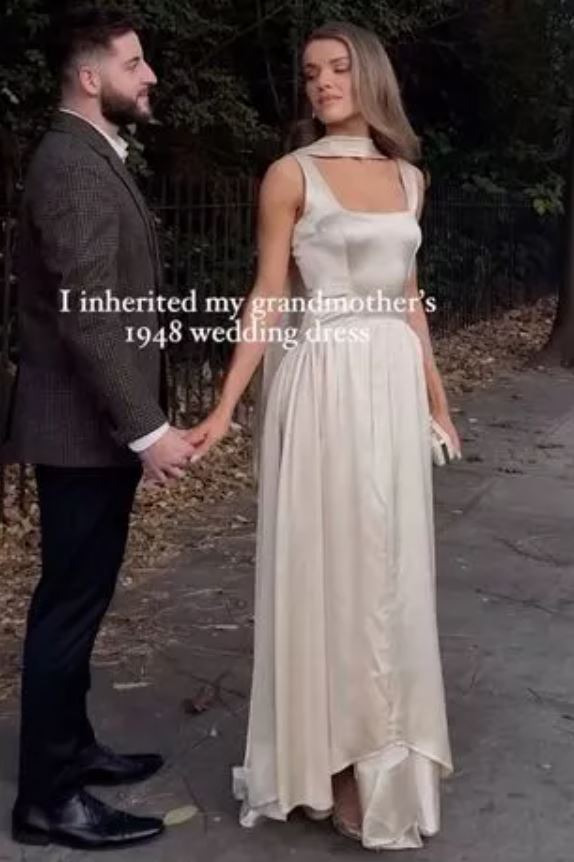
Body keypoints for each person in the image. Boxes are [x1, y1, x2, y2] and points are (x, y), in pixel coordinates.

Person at [186, 20, 460, 851]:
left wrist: (438, 402)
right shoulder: (290, 174)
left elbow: (409, 299)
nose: (323, 83)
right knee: (331, 567)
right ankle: (334, 763)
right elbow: (269, 295)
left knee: (391, 571)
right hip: (324, 382)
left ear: (370, 76)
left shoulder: (410, 178)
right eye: (311, 73)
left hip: (390, 383)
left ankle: (385, 757)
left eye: (339, 68)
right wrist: (227, 405)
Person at [1, 6, 195, 850]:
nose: (149, 76)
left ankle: (72, 750)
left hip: (91, 433)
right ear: (90, 78)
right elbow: (90, 316)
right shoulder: (73, 165)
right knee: (68, 610)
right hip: (80, 434)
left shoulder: (89, 152)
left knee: (80, 599)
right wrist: (147, 430)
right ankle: (48, 801)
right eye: (133, 63)